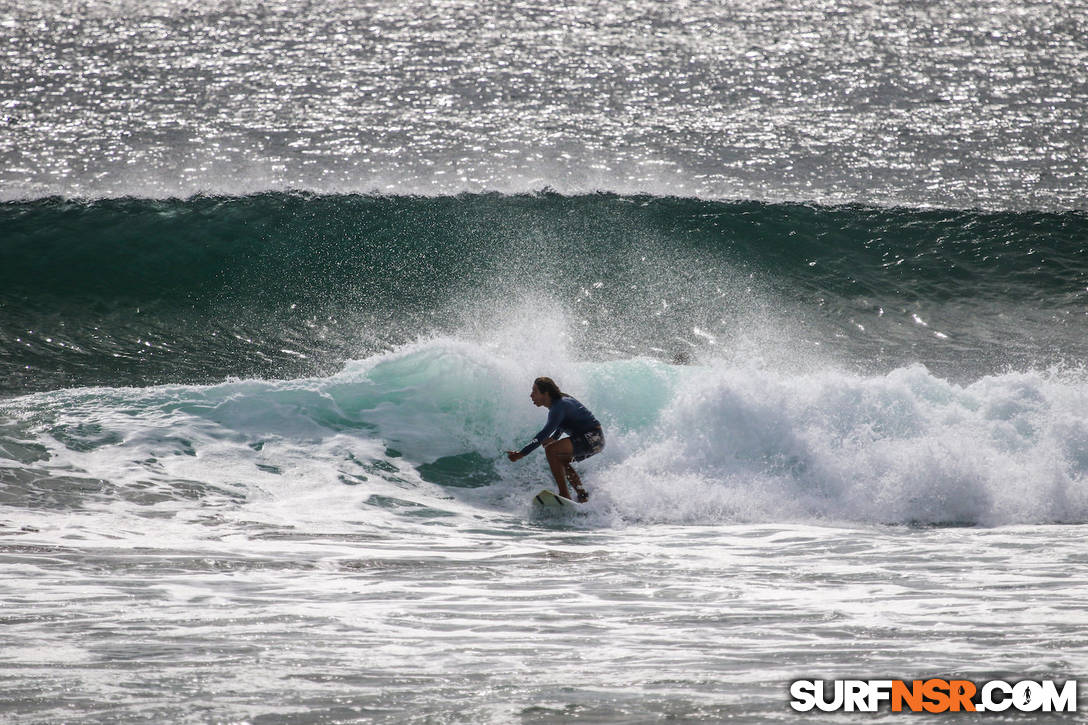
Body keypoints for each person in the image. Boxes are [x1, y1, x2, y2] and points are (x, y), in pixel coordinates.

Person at [506, 377, 604, 502]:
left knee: (552, 450)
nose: (531, 395)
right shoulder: (561, 402)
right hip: (595, 439)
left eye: (535, 391)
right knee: (561, 459)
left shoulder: (558, 407)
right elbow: (563, 423)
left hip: (592, 438)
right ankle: (583, 496)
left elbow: (542, 435)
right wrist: (554, 437)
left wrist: (521, 453)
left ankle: (564, 494)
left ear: (546, 393)